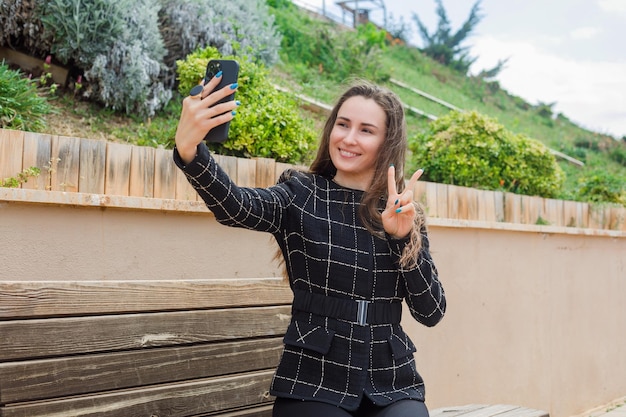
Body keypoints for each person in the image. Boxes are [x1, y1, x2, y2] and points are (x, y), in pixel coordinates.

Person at [173, 74, 446, 417]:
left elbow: (431, 311)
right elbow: (236, 207)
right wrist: (191, 152)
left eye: (366, 130)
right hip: (313, 380)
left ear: (387, 142)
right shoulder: (299, 195)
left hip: (390, 382)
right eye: (342, 124)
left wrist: (402, 238)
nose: (348, 138)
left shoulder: (405, 214)